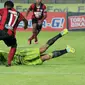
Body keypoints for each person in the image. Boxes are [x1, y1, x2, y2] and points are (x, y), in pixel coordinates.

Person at [0, 29, 75, 66]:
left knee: (43, 49)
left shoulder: (1, 54)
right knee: (46, 57)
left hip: (21, 55)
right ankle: (67, 50)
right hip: (25, 63)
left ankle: (61, 34)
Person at [0, 1, 28, 66]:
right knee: (14, 46)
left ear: (5, 6)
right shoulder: (18, 14)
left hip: (1, 31)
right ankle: (9, 63)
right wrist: (25, 26)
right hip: (10, 35)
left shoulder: (4, 10)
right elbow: (25, 21)